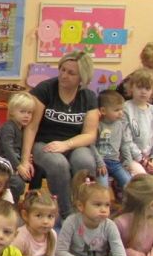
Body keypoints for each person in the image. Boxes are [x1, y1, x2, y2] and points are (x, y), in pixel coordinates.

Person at [21, 50, 100, 218]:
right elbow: (31, 127)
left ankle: (83, 210)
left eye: (71, 73)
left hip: (74, 144)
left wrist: (66, 144)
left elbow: (90, 134)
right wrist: (25, 159)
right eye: (62, 70)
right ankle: (67, 214)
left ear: (82, 77)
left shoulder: (88, 97)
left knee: (85, 161)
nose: (64, 75)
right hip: (44, 143)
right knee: (58, 164)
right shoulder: (45, 89)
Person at [55, 171, 142, 256]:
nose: (104, 209)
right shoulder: (71, 222)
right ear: (81, 206)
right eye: (97, 205)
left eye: (107, 205)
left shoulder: (110, 225)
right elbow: (60, 252)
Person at [94, 89, 143, 191]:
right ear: (103, 111)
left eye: (122, 109)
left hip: (115, 162)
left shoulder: (120, 124)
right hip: (101, 163)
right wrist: (99, 163)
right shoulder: (97, 125)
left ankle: (122, 195)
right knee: (103, 188)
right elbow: (91, 145)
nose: (121, 113)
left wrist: (128, 162)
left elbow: (124, 144)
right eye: (116, 110)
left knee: (129, 185)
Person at [0, 91, 36, 201]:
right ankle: (10, 206)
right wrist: (19, 166)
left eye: (29, 112)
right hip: (2, 164)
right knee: (17, 183)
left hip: (14, 164)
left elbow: (22, 149)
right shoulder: (8, 127)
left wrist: (27, 161)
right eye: (22, 111)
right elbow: (8, 149)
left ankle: (31, 202)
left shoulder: (23, 129)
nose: (26, 115)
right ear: (12, 112)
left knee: (32, 175)